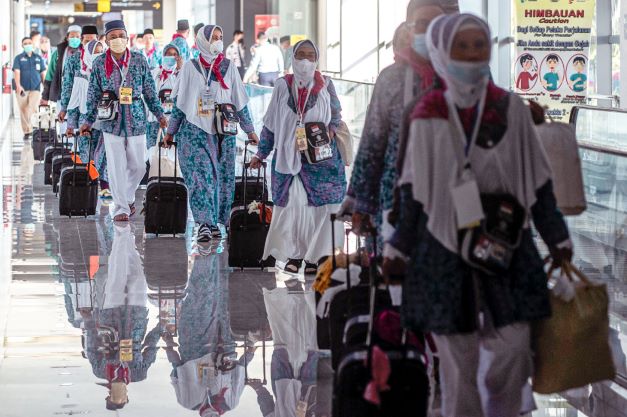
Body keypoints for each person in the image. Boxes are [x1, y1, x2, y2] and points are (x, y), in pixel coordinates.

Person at [383, 14, 573, 417]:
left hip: (507, 247)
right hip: (444, 252)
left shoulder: (512, 109)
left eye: (478, 45)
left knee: (514, 348)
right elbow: (414, 191)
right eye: (461, 46)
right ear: (442, 51)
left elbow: (538, 184)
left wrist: (557, 238)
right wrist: (399, 246)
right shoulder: (427, 111)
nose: (471, 54)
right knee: (456, 365)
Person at [349, 0, 448, 251]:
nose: (430, 32)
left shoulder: (464, 76)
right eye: (423, 25)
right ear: (409, 29)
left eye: (438, 25)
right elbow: (373, 143)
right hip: (396, 197)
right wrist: (360, 203)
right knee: (393, 275)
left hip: (451, 198)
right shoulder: (391, 79)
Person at [250, 40, 346, 274]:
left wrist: (328, 133)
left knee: (322, 210)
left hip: (321, 158)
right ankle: (295, 255)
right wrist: (261, 153)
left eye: (310, 55)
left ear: (317, 58)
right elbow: (271, 124)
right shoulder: (283, 85)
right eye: (300, 55)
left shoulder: (327, 84)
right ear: (292, 57)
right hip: (289, 158)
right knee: (295, 207)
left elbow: (336, 115)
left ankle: (316, 257)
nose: (305, 60)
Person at [163, 25, 258, 243]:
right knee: (201, 178)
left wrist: (250, 131)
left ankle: (218, 221)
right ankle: (204, 223)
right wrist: (171, 132)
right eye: (213, 38)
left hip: (224, 132)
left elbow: (240, 102)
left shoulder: (229, 67)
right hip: (194, 133)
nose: (217, 42)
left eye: (220, 37)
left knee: (223, 180)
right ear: (202, 41)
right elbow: (180, 103)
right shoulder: (190, 67)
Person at [80, 19, 167, 222]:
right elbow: (93, 94)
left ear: (127, 37)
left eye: (121, 36)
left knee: (139, 166)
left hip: (136, 118)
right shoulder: (100, 63)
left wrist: (160, 115)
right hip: (110, 119)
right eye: (113, 37)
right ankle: (121, 208)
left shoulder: (138, 60)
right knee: (116, 166)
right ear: (106, 40)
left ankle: (127, 197)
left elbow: (149, 91)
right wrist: (87, 121)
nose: (117, 39)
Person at [61, 39, 111, 199]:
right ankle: (88, 185)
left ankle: (104, 185)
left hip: (104, 121)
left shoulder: (109, 74)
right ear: (88, 53)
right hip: (85, 123)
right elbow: (74, 101)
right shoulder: (81, 75)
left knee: (103, 155)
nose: (99, 55)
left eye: (101, 51)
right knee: (85, 155)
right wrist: (70, 125)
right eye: (96, 51)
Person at [145, 43, 183, 149]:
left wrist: (180, 70)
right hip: (154, 120)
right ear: (163, 55)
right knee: (153, 152)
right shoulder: (154, 73)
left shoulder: (181, 75)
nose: (172, 57)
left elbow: (183, 93)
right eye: (169, 54)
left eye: (175, 54)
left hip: (173, 123)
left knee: (171, 157)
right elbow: (148, 94)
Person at [13, 36, 47, 139]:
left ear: (32, 45)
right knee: (23, 109)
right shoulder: (18, 58)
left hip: (35, 88)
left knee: (33, 108)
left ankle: (34, 129)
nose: (28, 45)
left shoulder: (38, 58)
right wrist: (18, 85)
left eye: (29, 43)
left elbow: (42, 73)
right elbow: (16, 72)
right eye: (25, 43)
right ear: (22, 46)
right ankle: (27, 131)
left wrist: (46, 87)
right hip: (22, 89)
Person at [42, 24, 82, 104]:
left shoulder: (85, 53)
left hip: (81, 94)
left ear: (81, 38)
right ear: (67, 38)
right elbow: (50, 74)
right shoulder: (58, 54)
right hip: (62, 93)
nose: (75, 39)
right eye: (72, 36)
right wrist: (45, 96)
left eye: (77, 37)